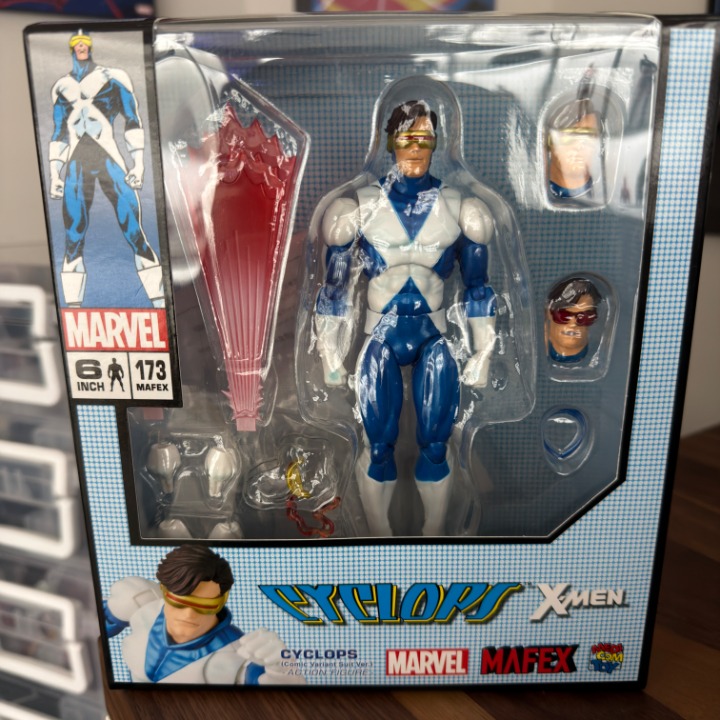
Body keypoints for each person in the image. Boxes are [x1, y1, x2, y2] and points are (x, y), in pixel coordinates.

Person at [314, 99, 496, 537]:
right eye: (406, 138)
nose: (415, 148)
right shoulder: (358, 208)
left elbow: (478, 288)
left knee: (436, 444)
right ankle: (379, 535)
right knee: (378, 446)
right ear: (390, 142)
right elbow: (334, 289)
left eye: (424, 138)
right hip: (381, 334)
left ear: (436, 142)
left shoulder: (461, 209)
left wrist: (483, 353)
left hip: (435, 333)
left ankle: (434, 535)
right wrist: (329, 355)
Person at [49, 30, 164, 308]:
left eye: (84, 44)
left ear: (90, 47)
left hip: (110, 158)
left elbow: (133, 119)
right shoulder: (62, 87)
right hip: (77, 163)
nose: (81, 47)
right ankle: (73, 310)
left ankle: (160, 303)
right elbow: (59, 132)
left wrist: (138, 163)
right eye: (76, 44)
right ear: (71, 48)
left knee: (134, 230)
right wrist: (54, 174)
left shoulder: (112, 78)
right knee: (73, 236)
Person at [104, 545, 304, 684]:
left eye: (204, 605)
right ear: (164, 592)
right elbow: (94, 630)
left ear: (221, 601)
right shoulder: (141, 604)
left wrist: (282, 669)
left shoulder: (237, 655)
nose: (189, 614)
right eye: (179, 602)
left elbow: (275, 699)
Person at [546, 81, 602, 200]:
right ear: (550, 142)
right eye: (570, 136)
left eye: (588, 137)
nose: (579, 146)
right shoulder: (536, 190)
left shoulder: (603, 194)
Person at [545, 277, 601, 363]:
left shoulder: (598, 349)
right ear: (549, 313)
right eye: (564, 315)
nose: (573, 323)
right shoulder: (537, 341)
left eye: (584, 317)